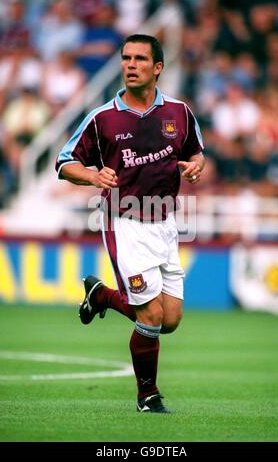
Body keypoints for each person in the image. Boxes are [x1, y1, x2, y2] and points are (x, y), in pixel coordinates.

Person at [55, 34, 205, 413]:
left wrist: (196, 166)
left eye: (140, 59)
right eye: (126, 58)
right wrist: (91, 177)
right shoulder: (103, 117)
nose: (130, 65)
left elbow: (196, 153)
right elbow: (63, 162)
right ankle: (147, 396)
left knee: (169, 320)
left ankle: (102, 295)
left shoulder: (179, 112)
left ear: (158, 68)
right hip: (124, 223)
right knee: (150, 315)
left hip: (166, 222)